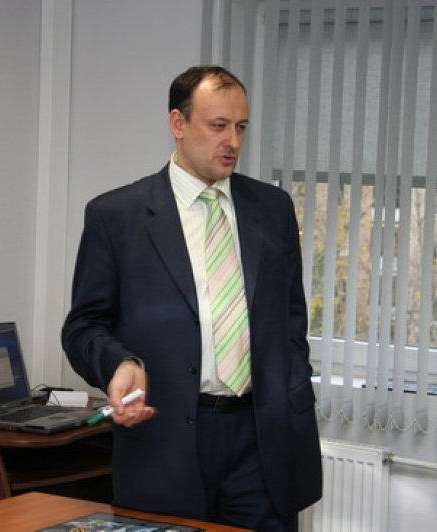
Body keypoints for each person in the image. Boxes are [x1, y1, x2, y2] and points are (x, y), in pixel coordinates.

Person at [62, 65, 322, 531]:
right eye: (218, 125)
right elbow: (83, 327)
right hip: (166, 440)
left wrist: (291, 385)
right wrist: (119, 364)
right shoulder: (116, 216)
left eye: (241, 127)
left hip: (262, 441)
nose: (233, 141)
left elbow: (291, 319)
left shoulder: (272, 208)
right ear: (178, 123)